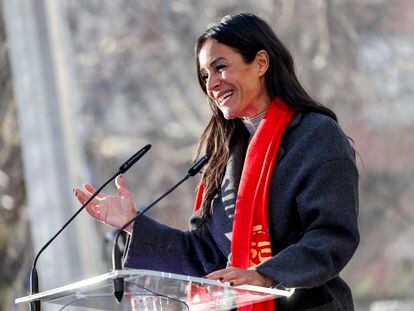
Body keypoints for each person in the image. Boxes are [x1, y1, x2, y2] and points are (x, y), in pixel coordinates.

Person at [74, 13, 359, 311]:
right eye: (205, 75)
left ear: (261, 63)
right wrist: (132, 224)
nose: (212, 84)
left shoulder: (315, 135)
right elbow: (205, 255)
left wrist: (264, 275)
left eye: (220, 67)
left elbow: (331, 236)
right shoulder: (224, 152)